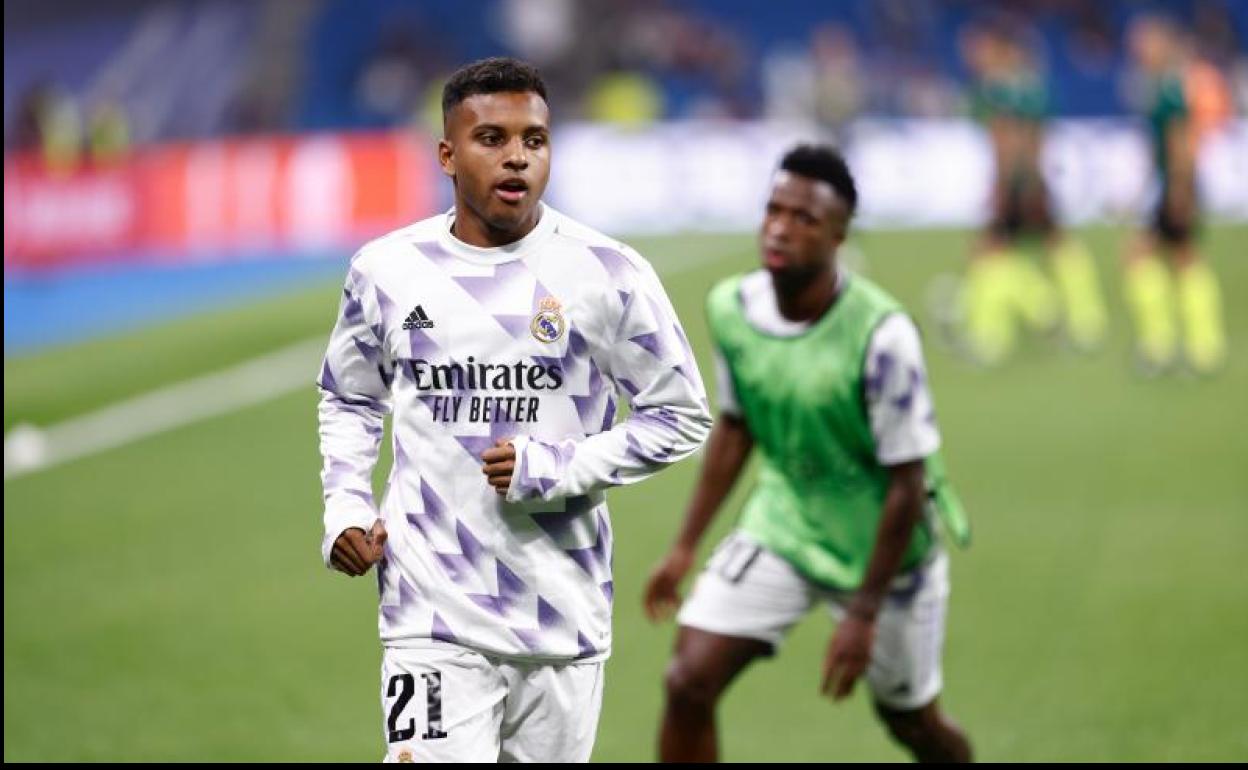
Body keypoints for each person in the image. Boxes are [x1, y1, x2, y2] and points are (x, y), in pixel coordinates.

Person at [316, 57, 711, 762]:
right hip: (430, 610)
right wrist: (345, 505)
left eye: (534, 139)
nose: (518, 157)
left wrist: (563, 467)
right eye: (491, 138)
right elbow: (349, 395)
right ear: (447, 153)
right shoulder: (386, 270)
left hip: (560, 611)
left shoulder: (608, 273)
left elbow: (680, 414)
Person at [644, 145, 972, 762]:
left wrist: (862, 615)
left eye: (804, 219)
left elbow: (907, 484)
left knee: (911, 722)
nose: (780, 227)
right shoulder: (733, 308)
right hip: (788, 525)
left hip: (885, 550)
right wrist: (685, 546)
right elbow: (737, 428)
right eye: (773, 210)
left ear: (840, 235)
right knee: (687, 682)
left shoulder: (883, 336)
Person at [959, 21, 1107, 365]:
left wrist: (1008, 185)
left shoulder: (1003, 89)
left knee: (993, 250)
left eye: (980, 48)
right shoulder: (1026, 85)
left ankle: (994, 335)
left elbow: (1016, 141)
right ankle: (1083, 319)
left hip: (1020, 182)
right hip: (1030, 179)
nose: (973, 55)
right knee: (1051, 244)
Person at [1122, 16, 1227, 375]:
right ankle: (1199, 348)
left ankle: (1166, 346)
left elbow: (1180, 142)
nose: (1138, 49)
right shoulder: (1158, 86)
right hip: (1173, 184)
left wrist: (1179, 189)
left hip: (1178, 185)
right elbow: (1159, 150)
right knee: (1179, 259)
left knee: (1155, 259)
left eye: (1144, 42)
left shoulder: (1169, 88)